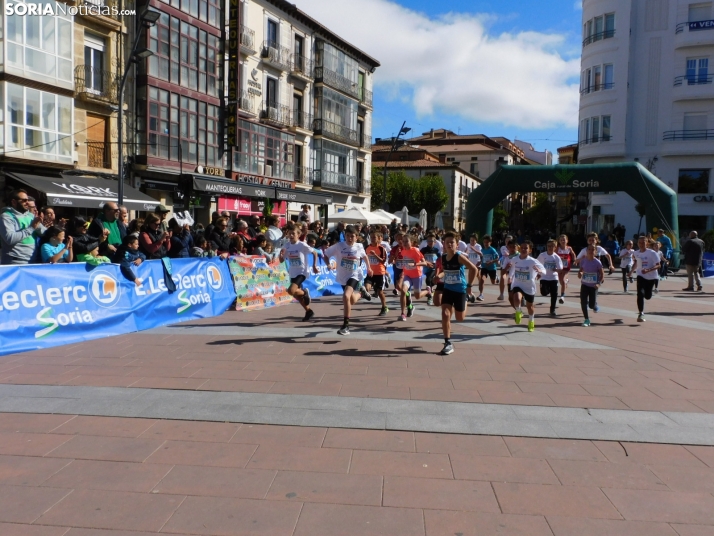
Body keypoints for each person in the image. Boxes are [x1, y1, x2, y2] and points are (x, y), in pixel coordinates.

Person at [323, 225, 372, 335]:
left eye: (352, 236)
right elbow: (325, 255)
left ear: (356, 237)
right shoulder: (339, 246)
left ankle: (346, 325)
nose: (350, 238)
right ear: (345, 236)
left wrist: (369, 268)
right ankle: (361, 294)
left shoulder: (359, 246)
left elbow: (364, 257)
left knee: (346, 296)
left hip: (354, 275)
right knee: (352, 300)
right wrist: (328, 264)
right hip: (342, 276)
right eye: (348, 236)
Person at [438, 231, 478, 355]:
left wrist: (469, 286)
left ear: (457, 245)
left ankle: (466, 299)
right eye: (447, 242)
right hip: (448, 289)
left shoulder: (459, 256)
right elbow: (446, 271)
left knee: (459, 318)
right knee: (445, 314)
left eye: (452, 242)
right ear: (444, 244)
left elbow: (474, 269)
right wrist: (438, 276)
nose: (449, 244)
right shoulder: (443, 257)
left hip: (460, 290)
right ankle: (447, 342)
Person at [280, 224, 318, 322]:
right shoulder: (287, 245)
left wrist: (314, 266)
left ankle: (305, 292)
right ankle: (308, 311)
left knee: (291, 291)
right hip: (293, 272)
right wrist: (281, 256)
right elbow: (281, 260)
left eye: (293, 233)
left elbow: (315, 252)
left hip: (302, 272)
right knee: (297, 295)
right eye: (289, 234)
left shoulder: (302, 245)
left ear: (298, 234)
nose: (291, 235)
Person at [508, 241, 546, 332]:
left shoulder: (532, 261)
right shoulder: (515, 259)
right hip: (518, 284)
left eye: (526, 248)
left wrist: (539, 271)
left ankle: (531, 321)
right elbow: (512, 269)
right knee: (516, 297)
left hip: (529, 286)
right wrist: (510, 277)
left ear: (530, 250)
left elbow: (544, 271)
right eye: (522, 248)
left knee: (530, 307)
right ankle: (518, 311)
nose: (524, 249)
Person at [0, 189, 44, 265]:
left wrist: (56, 229)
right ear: (14, 202)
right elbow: (10, 239)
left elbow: (44, 232)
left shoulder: (30, 215)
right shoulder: (6, 216)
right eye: (24, 200)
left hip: (33, 261)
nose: (27, 203)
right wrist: (32, 228)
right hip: (15, 262)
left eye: (27, 200)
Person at [395, 233, 431, 321]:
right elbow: (405, 263)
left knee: (417, 296)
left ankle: (427, 291)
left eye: (407, 241)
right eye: (403, 241)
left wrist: (415, 264)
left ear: (412, 242)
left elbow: (424, 263)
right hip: (407, 275)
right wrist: (403, 272)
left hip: (416, 276)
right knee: (403, 291)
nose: (404, 243)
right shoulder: (402, 251)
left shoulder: (415, 250)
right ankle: (403, 313)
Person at [628, 235, 661, 323]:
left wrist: (649, 270)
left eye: (643, 242)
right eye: (640, 243)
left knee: (647, 296)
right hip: (640, 275)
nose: (641, 244)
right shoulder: (636, 253)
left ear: (647, 243)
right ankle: (641, 313)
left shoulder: (652, 253)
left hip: (651, 277)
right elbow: (636, 263)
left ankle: (649, 293)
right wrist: (631, 272)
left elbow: (658, 265)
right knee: (640, 293)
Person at [578, 244, 605, 327]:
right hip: (584, 284)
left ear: (595, 252)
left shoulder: (597, 262)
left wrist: (598, 284)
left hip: (593, 286)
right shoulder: (583, 260)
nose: (590, 251)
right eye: (589, 249)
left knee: (591, 305)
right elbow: (581, 270)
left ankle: (594, 305)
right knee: (583, 302)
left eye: (592, 250)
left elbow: (602, 274)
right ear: (587, 251)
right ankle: (586, 319)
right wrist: (580, 273)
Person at [364, 230, 388, 314]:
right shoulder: (367, 247)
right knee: (366, 288)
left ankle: (384, 307)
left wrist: (375, 255)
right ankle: (367, 295)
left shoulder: (382, 249)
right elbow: (364, 257)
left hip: (380, 273)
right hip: (371, 272)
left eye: (374, 237)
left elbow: (383, 261)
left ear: (378, 238)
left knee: (379, 292)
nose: (372, 239)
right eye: (371, 237)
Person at [537, 239, 563, 317]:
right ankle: (545, 289)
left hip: (553, 277)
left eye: (552, 246)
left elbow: (560, 268)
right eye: (549, 246)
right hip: (544, 277)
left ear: (555, 247)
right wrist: (538, 272)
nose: (550, 247)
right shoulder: (542, 255)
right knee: (544, 293)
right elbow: (536, 263)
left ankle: (553, 310)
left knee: (554, 294)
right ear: (546, 246)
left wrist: (557, 269)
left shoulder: (556, 257)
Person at [477, 235, 499, 301]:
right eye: (484, 242)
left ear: (490, 242)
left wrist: (491, 261)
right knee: (482, 280)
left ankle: (496, 277)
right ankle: (481, 295)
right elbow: (483, 258)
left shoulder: (492, 250)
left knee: (493, 282)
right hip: (484, 268)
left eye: (487, 242)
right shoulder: (482, 250)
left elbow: (497, 258)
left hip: (492, 268)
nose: (485, 244)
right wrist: (480, 262)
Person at [420, 234, 440, 306]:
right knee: (430, 281)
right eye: (428, 241)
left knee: (428, 280)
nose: (430, 242)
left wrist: (438, 266)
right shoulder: (424, 250)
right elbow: (419, 257)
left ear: (435, 242)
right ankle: (431, 291)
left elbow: (440, 259)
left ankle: (429, 297)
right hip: (426, 268)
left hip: (434, 268)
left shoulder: (436, 250)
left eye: (432, 241)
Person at [556, 234, 576, 303]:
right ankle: (566, 281)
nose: (562, 241)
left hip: (566, 268)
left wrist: (575, 260)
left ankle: (562, 296)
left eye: (564, 240)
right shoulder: (557, 248)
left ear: (567, 241)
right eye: (561, 240)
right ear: (559, 241)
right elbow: (554, 255)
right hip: (559, 268)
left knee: (563, 281)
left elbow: (573, 254)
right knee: (561, 282)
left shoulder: (569, 248)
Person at [465, 234, 483, 302]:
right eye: (471, 240)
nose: (472, 242)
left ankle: (481, 292)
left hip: (477, 264)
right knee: (470, 278)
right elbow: (466, 253)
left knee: (478, 277)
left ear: (476, 240)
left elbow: (481, 254)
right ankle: (470, 292)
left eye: (473, 240)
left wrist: (474, 249)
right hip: (470, 264)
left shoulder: (478, 246)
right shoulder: (467, 245)